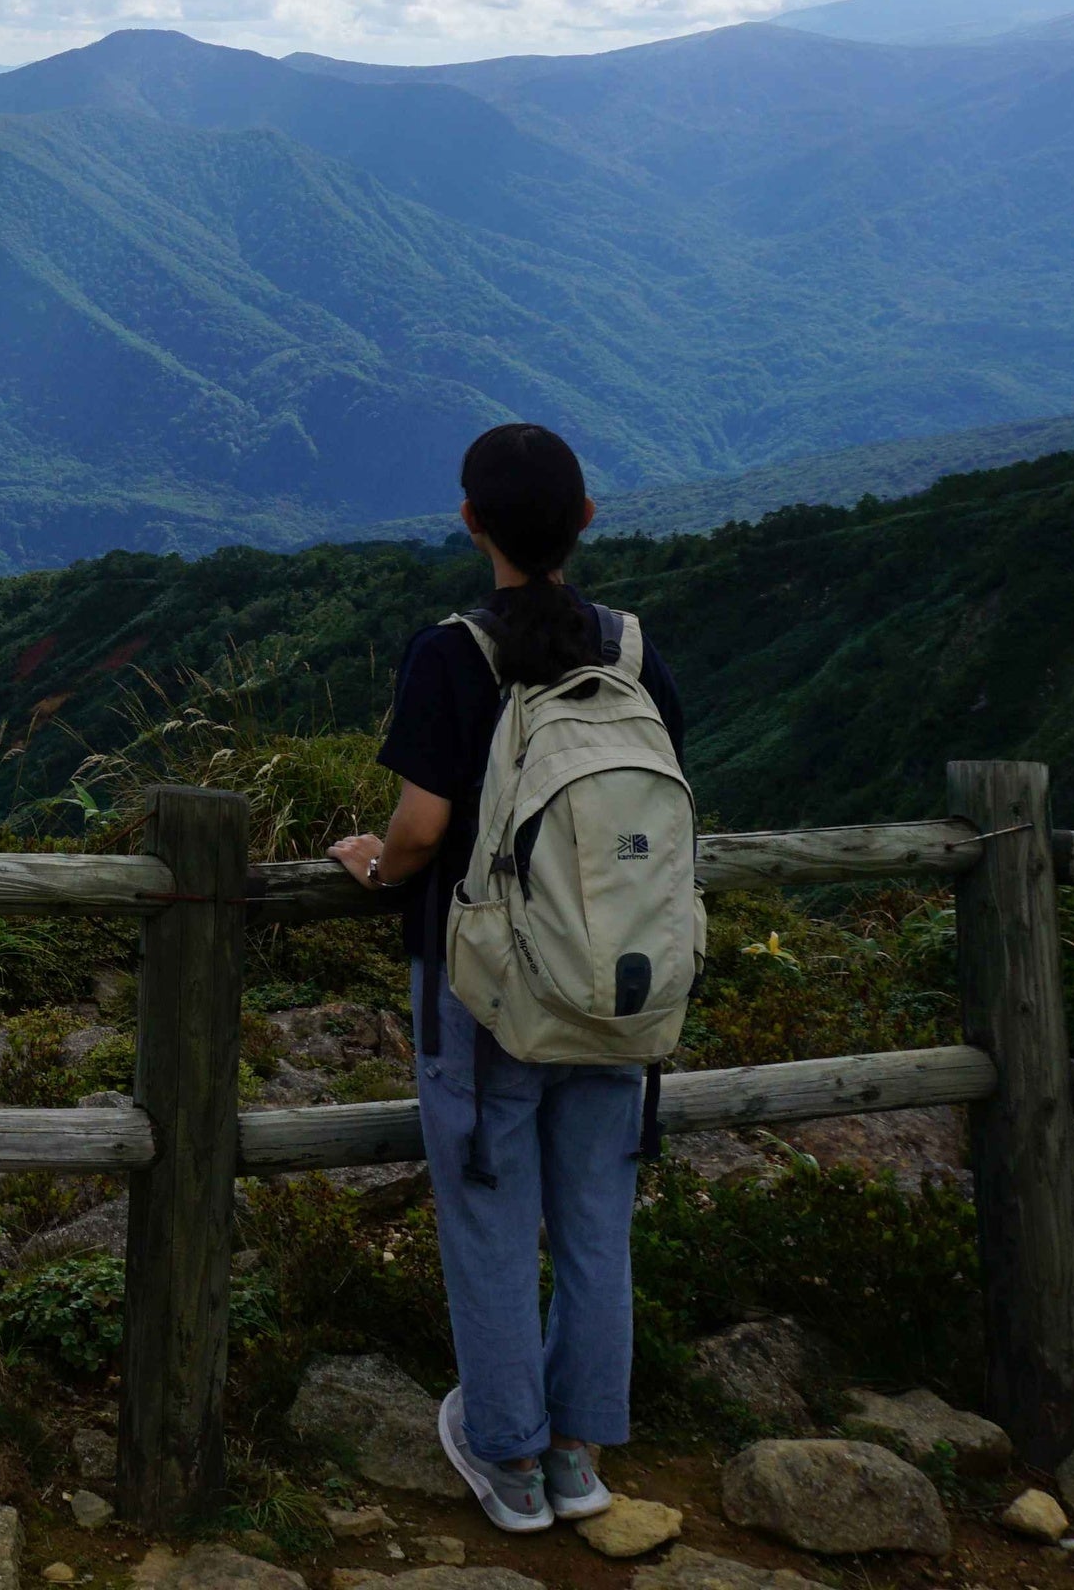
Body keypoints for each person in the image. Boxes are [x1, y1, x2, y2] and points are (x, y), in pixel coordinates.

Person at [324, 423, 687, 1535]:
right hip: (613, 983)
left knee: (489, 1215)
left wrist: (373, 859)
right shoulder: (629, 649)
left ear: (470, 519)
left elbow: (424, 826)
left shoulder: (452, 652)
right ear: (584, 519)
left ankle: (510, 1461)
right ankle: (579, 1457)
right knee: (593, 1220)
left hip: (484, 993)